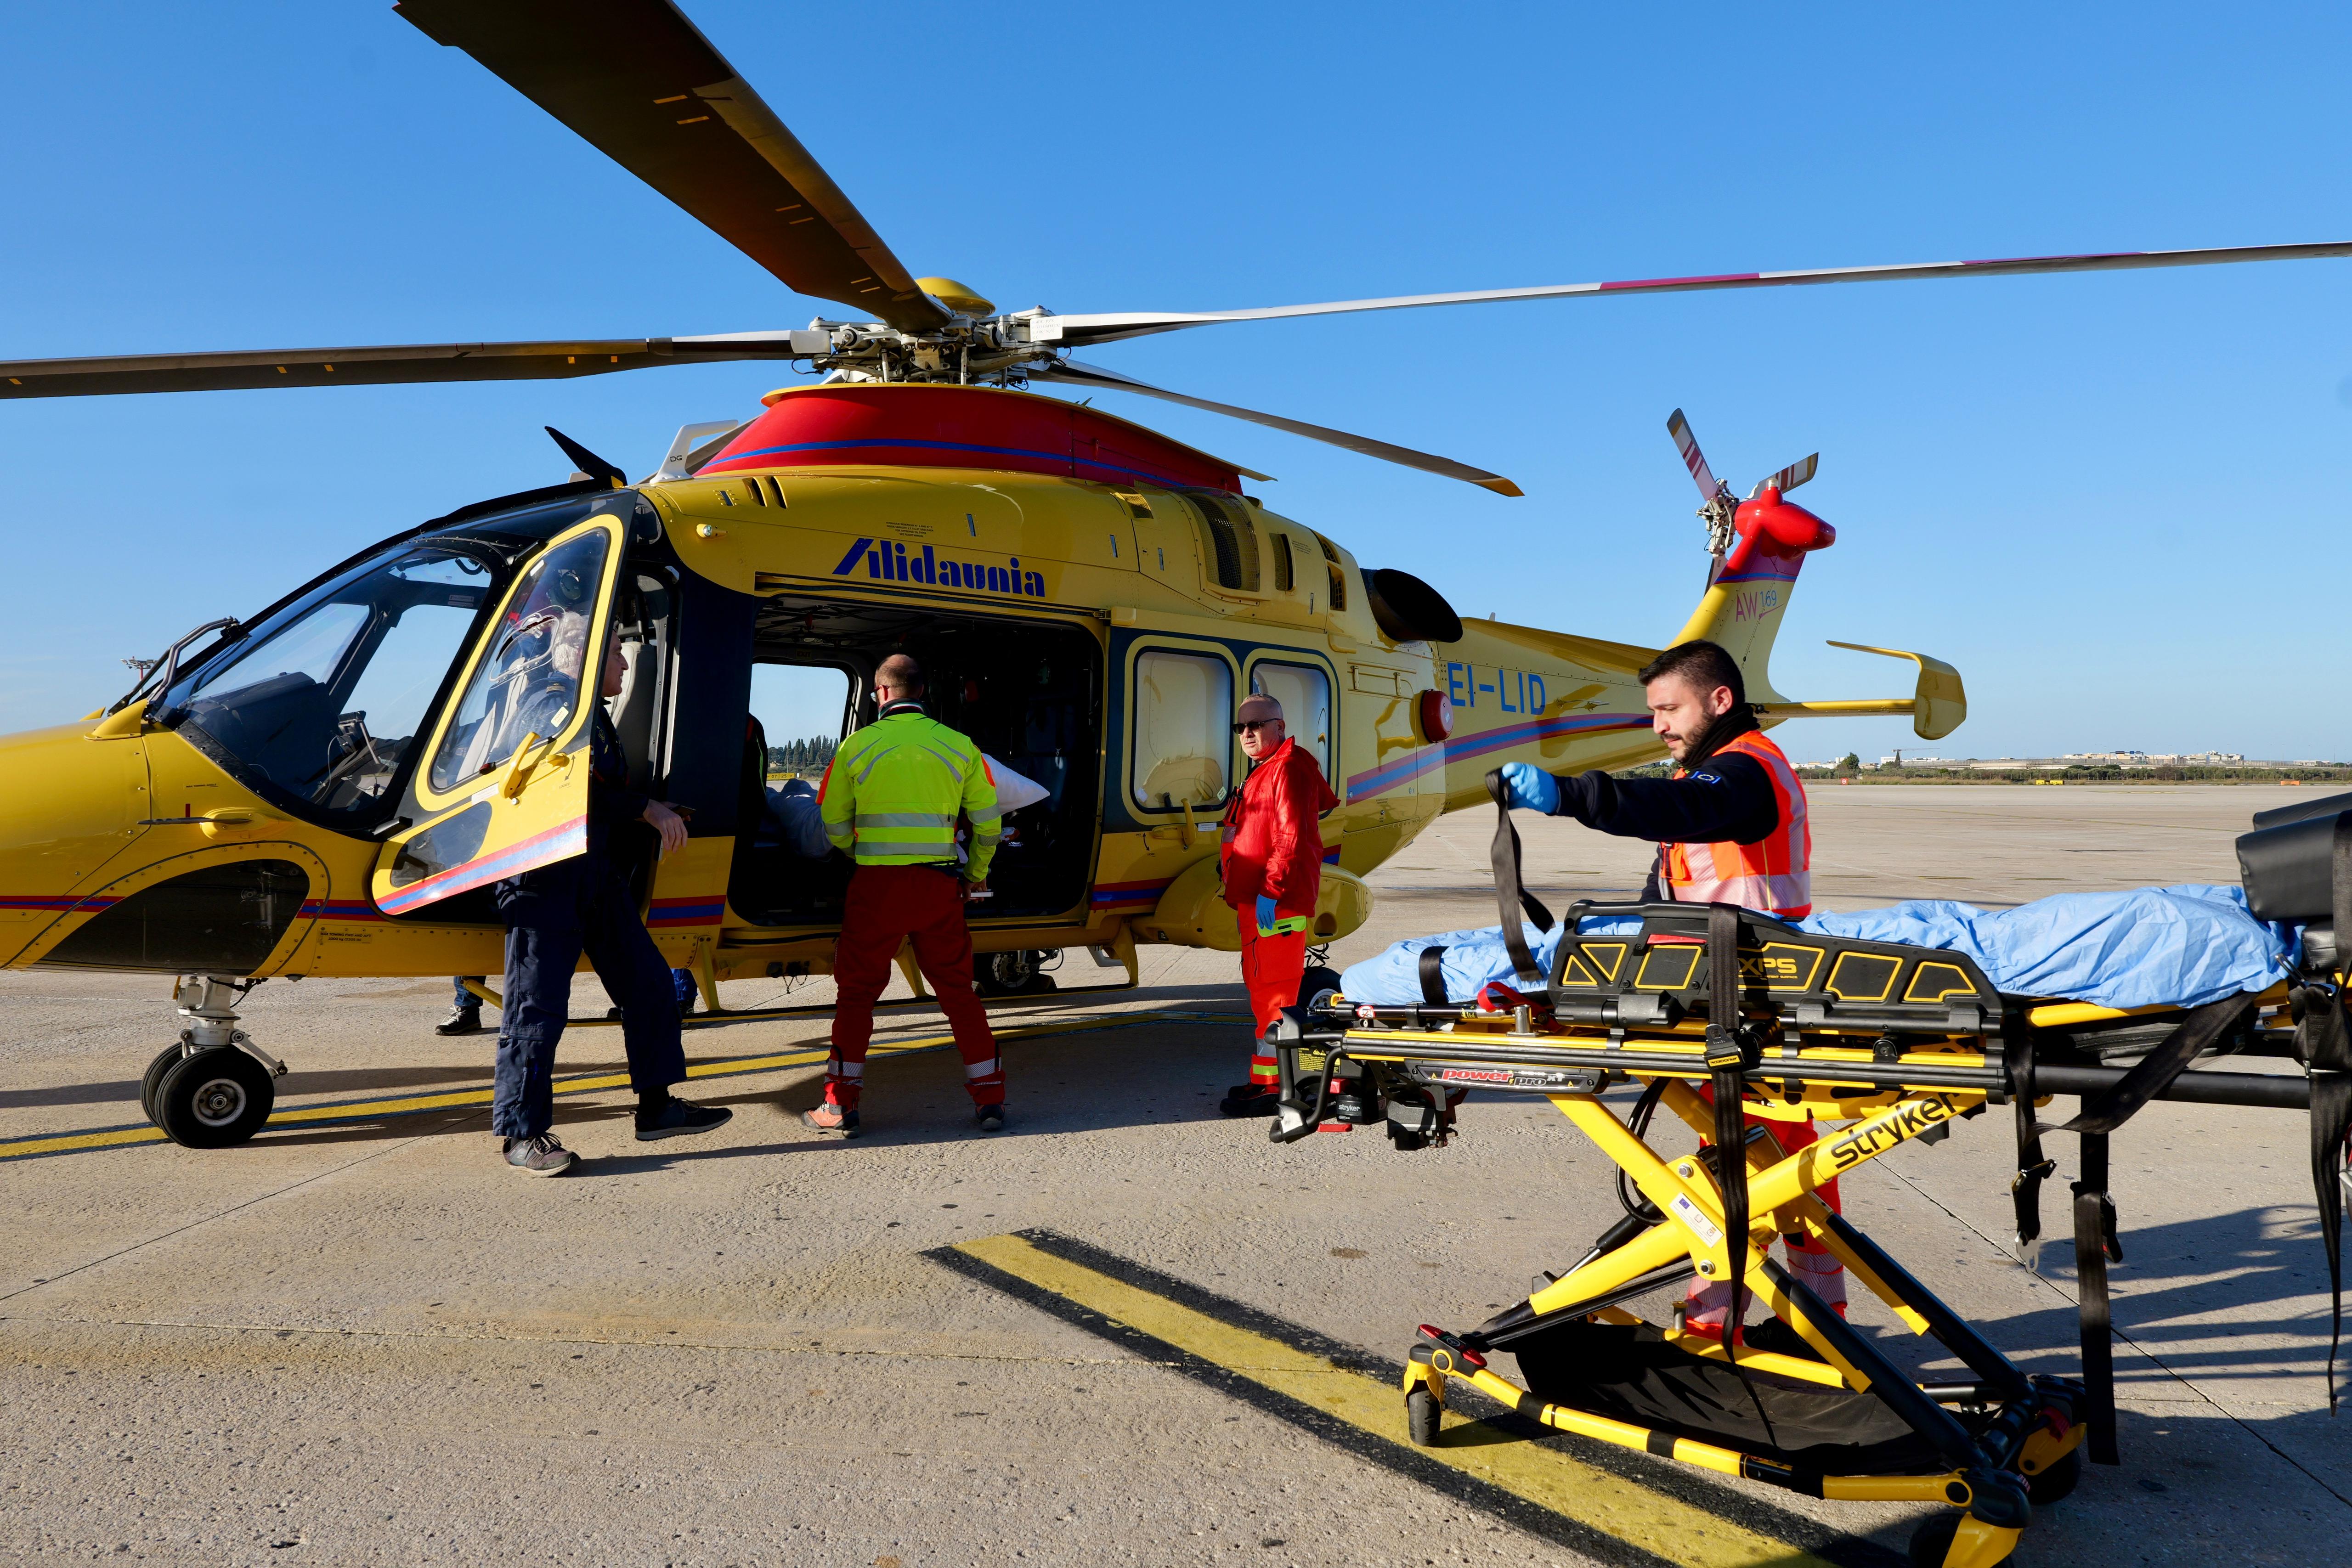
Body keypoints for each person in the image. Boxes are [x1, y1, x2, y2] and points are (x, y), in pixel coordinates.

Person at [1498, 638, 1841, 1338]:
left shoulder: (1745, 772)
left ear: (1719, 700)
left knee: (1752, 1159)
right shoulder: (1721, 769)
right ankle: (1810, 1311)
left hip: (1749, 992)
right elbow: (1677, 880)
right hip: (1721, 987)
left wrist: (1570, 794)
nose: (1658, 724)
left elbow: (1678, 811)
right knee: (1774, 1153)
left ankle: (1735, 1316)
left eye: (1668, 708)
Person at [490, 628, 731, 1175]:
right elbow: (558, 786)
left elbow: (597, 788)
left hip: (593, 872)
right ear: (581, 657)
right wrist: (645, 808)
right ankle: (522, 1135)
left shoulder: (586, 712)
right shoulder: (549, 705)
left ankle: (657, 1107)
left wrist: (646, 806)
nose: (625, 663)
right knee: (537, 1007)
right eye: (616, 653)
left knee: (649, 985)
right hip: (544, 876)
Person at [804, 653, 1005, 1138]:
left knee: (856, 997)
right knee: (958, 994)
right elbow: (989, 823)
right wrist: (972, 872)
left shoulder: (856, 746)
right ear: (920, 692)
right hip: (938, 887)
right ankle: (991, 1100)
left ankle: (840, 1104)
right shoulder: (960, 747)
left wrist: (860, 851)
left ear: (882, 693)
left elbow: (831, 822)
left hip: (876, 887)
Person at [1216, 692, 1338, 1118]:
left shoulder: (1288, 768)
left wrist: (1271, 889)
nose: (1247, 734)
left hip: (1276, 903)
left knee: (1277, 995)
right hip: (1259, 901)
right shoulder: (1268, 769)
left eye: (1256, 725)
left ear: (1280, 727)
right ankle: (1268, 1081)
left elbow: (1292, 837)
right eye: (1241, 728)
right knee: (1264, 991)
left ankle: (1278, 1087)